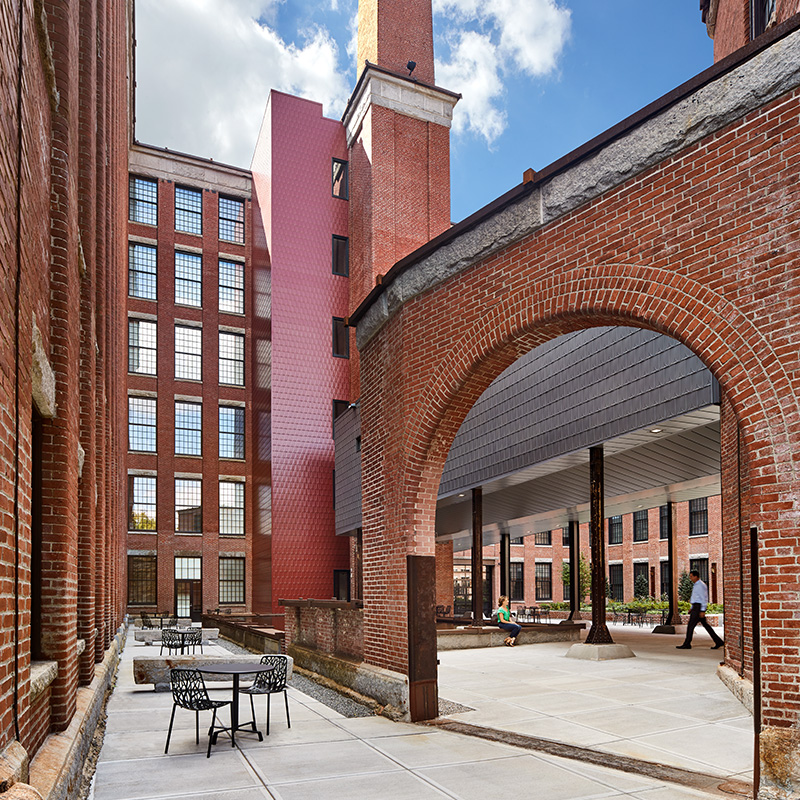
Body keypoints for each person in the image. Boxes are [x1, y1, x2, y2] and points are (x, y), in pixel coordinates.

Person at [676, 570, 724, 650]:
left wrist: (702, 610)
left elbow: (704, 598)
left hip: (698, 608)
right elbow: (695, 597)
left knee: (690, 626)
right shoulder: (696, 585)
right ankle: (718, 641)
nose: (690, 578)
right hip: (695, 607)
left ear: (696, 576)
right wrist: (691, 608)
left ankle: (687, 643)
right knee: (705, 625)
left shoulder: (701, 585)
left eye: (691, 576)